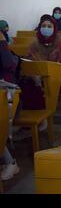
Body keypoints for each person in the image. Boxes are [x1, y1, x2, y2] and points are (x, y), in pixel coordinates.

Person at [28, 15, 61, 89]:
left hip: (58, 77)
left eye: (49, 26)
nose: (46, 28)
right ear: (39, 28)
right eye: (43, 26)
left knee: (50, 85)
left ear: (54, 28)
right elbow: (30, 60)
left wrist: (53, 73)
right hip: (38, 77)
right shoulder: (34, 44)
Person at [0, 31, 20, 181]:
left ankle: (10, 161)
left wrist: (2, 43)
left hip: (7, 93)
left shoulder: (3, 47)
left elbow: (8, 64)